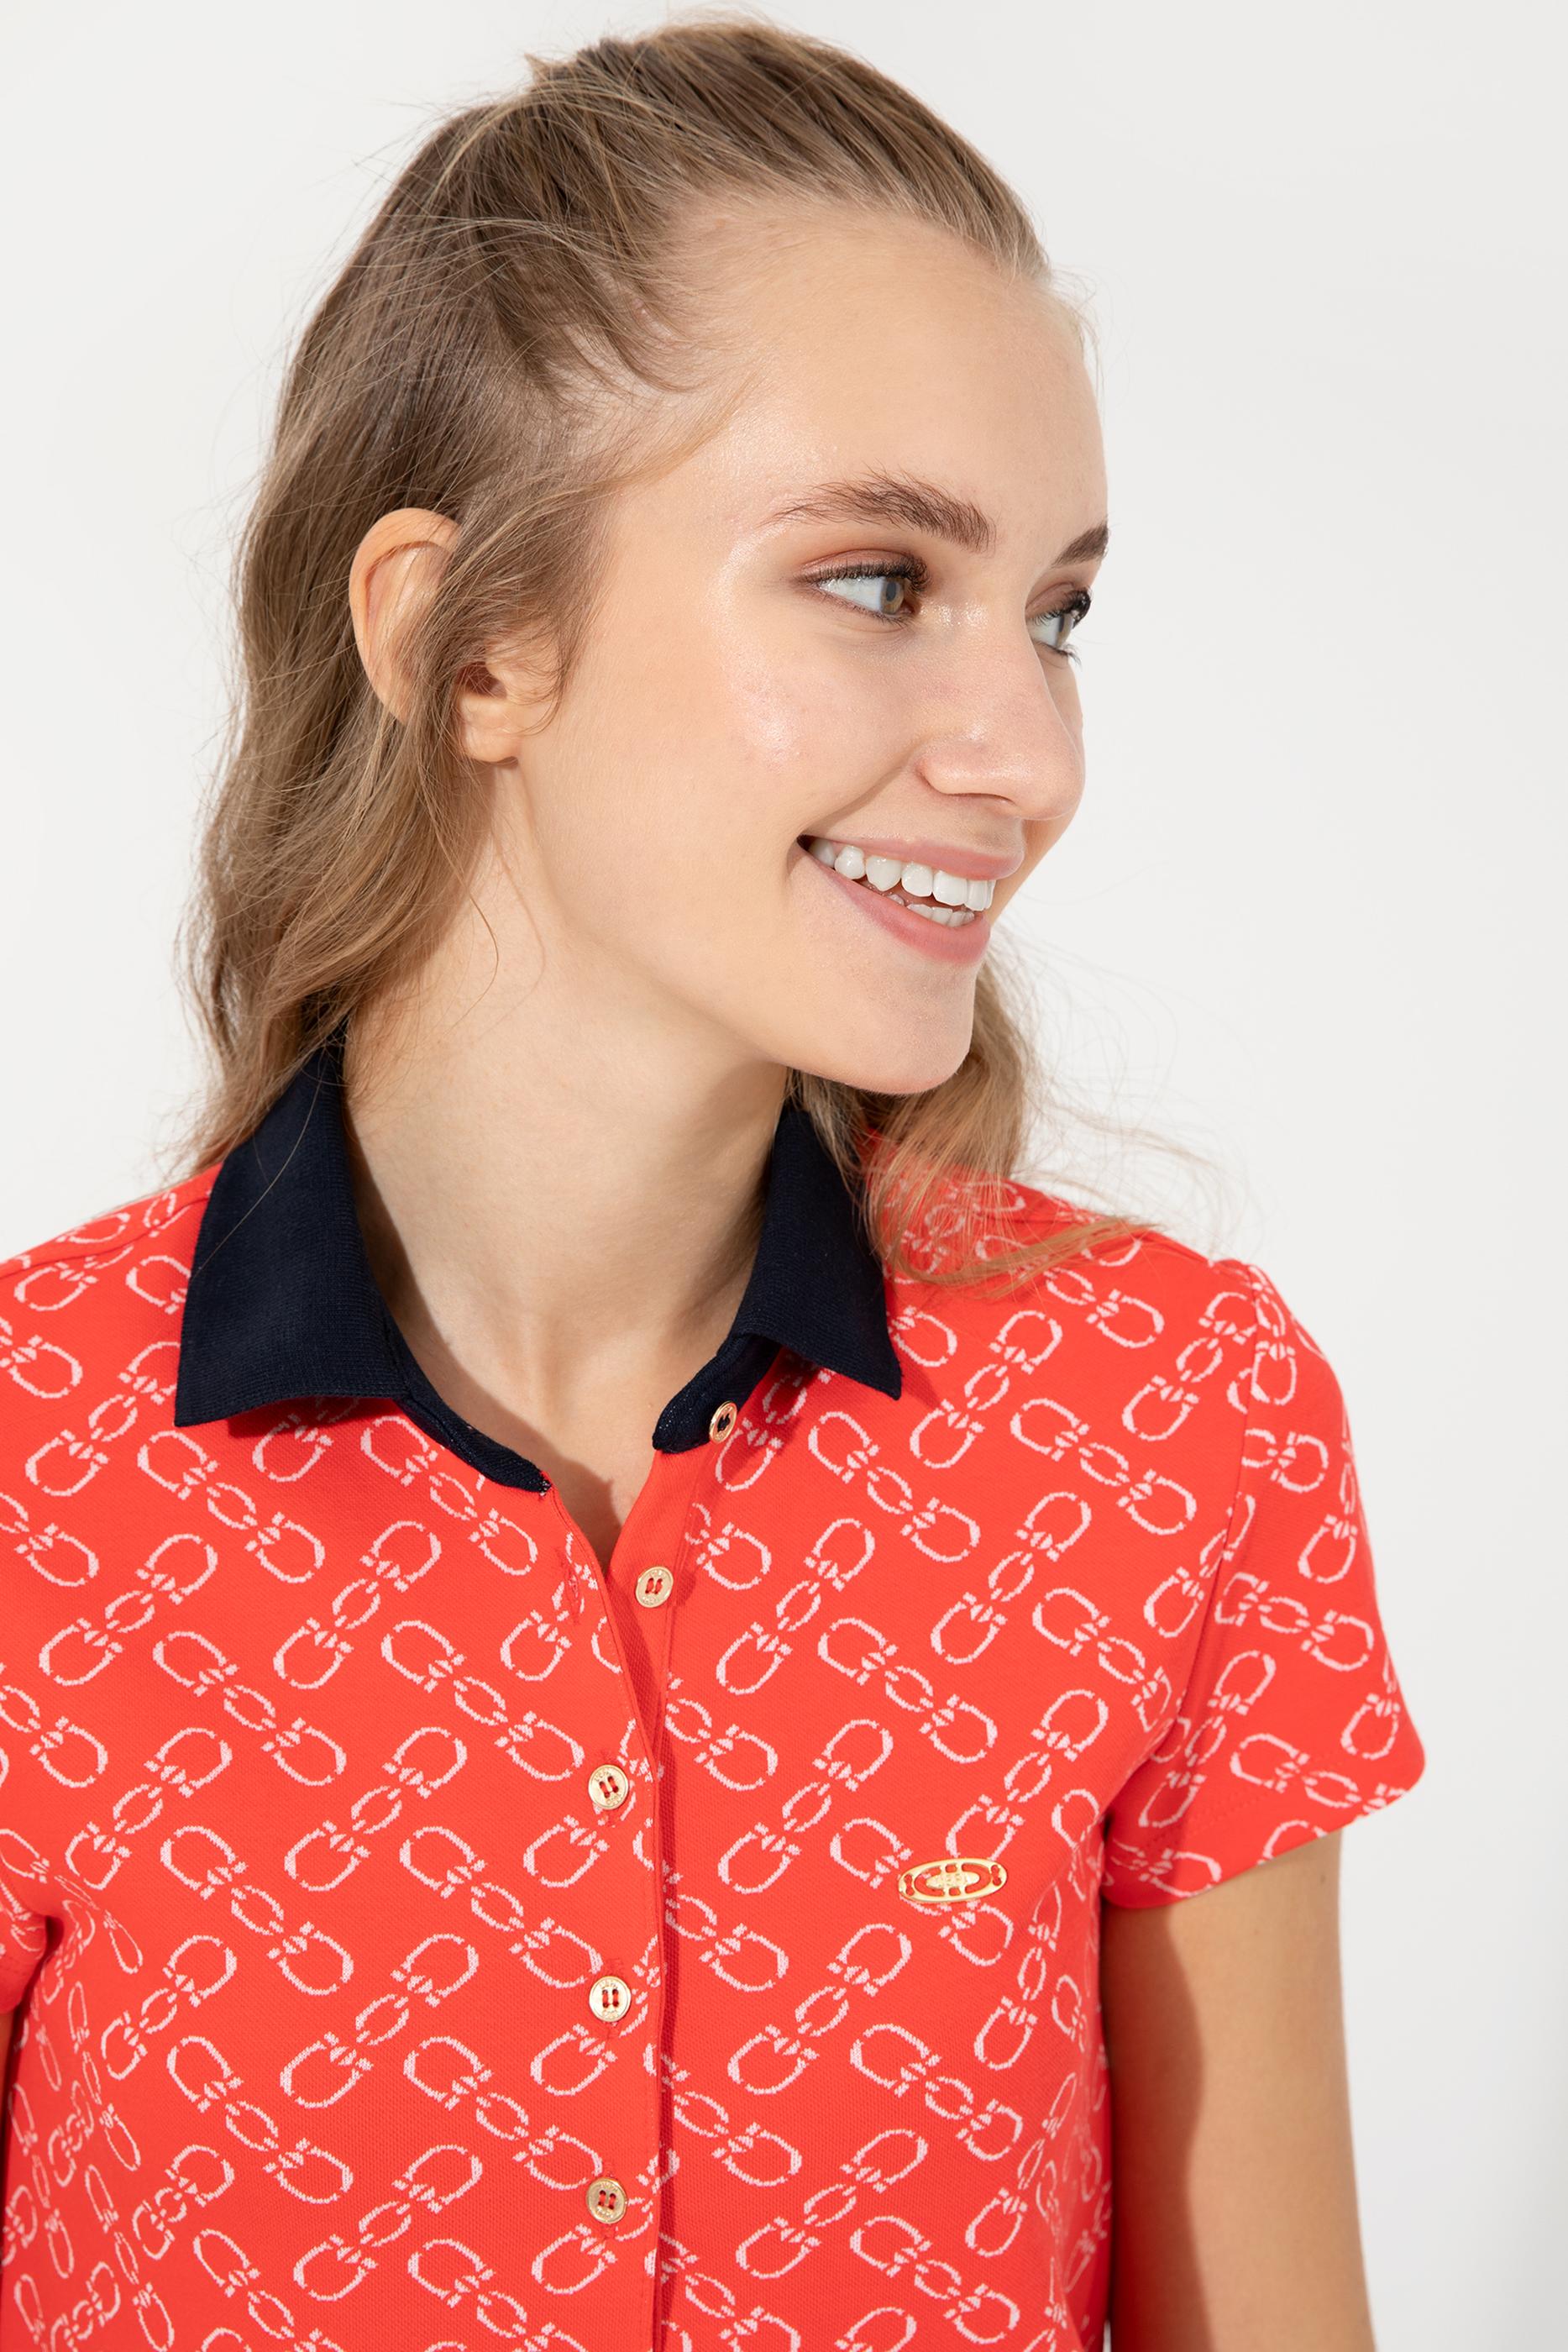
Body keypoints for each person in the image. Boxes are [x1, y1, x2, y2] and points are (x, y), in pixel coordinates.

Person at [0, 16, 1426, 2349]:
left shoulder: (1170, 1423)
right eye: (876, 579)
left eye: (1057, 611)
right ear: (467, 644)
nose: (1028, 753)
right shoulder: (28, 1472)